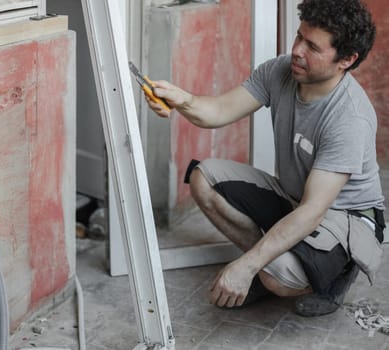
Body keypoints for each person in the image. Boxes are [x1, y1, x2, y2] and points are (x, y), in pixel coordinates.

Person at [146, 0, 385, 317]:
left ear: (347, 59)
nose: (297, 50)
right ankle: (266, 269)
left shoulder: (350, 119)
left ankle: (332, 275)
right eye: (299, 36)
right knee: (204, 179)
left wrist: (245, 265)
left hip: (346, 215)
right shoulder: (281, 71)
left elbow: (314, 210)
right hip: (296, 196)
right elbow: (217, 111)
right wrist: (182, 100)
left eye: (312, 47)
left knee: (277, 275)